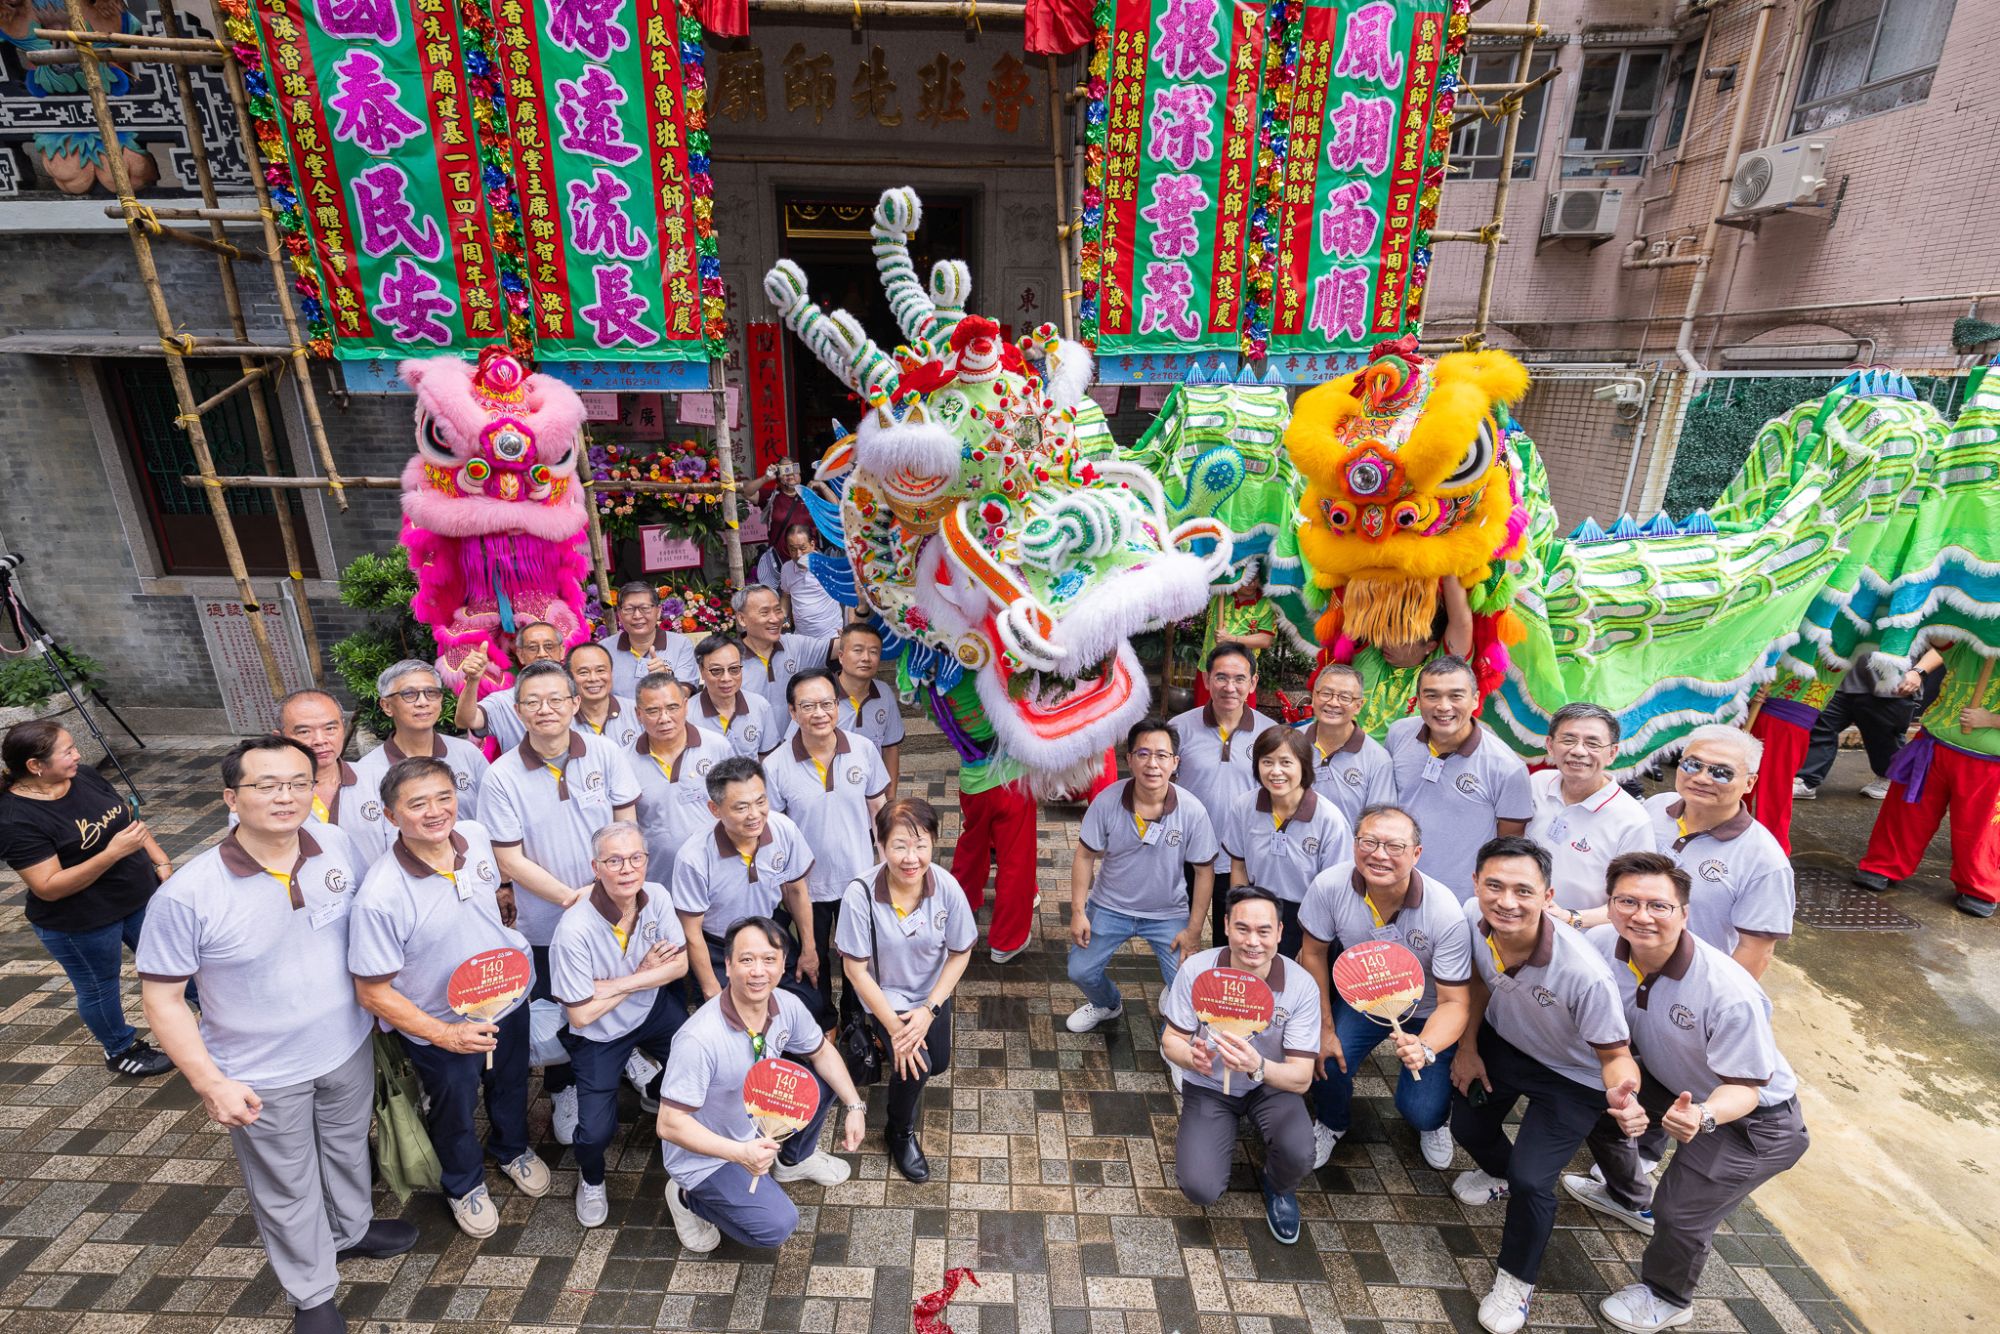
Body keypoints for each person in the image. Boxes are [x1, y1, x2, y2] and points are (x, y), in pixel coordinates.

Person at [137, 738, 411, 1334]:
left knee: (345, 1149)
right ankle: (311, 1293)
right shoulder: (188, 895)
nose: (285, 796)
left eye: (297, 781)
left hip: (347, 1046)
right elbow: (161, 999)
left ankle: (353, 1229)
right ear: (230, 798)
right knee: (285, 1184)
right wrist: (211, 1083)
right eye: (265, 784)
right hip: (260, 1073)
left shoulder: (335, 845)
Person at [1567, 852, 1809, 1334]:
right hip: (1670, 1081)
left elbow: (1745, 1088)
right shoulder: (1600, 944)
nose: (1641, 915)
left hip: (1752, 1121)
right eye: (1627, 901)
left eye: (1658, 905)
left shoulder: (1728, 992)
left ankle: (1669, 1297)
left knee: (1678, 1212)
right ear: (1609, 905)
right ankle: (1628, 1195)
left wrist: (1704, 1115)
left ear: (1684, 913)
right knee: (1594, 1101)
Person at [1448, 837, 1646, 1334]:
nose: (1506, 901)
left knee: (1535, 1180)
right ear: (1475, 884)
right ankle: (1500, 1175)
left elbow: (1615, 1055)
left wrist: (1624, 1096)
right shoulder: (1474, 914)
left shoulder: (1584, 974)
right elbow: (1474, 978)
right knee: (1467, 1127)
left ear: (1547, 896)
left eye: (1522, 890)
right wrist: (1468, 1046)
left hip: (1573, 1076)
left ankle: (1516, 1284)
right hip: (1506, 1043)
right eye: (1494, 885)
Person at [350, 756, 549, 1239]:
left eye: (444, 797)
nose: (436, 812)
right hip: (439, 1024)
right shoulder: (380, 896)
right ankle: (463, 1184)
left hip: (505, 998)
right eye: (417, 804)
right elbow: (372, 991)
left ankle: (512, 1149)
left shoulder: (475, 836)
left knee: (510, 1082)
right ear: (391, 816)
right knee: (454, 1106)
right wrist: (445, 1034)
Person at [477, 659, 641, 1143]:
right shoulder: (501, 777)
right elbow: (508, 857)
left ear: (574, 704)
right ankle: (563, 1086)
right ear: (518, 709)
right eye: (532, 701)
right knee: (562, 1005)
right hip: (547, 920)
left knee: (615, 983)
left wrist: (615, 885)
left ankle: (626, 1055)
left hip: (614, 903)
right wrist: (575, 898)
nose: (545, 709)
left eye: (555, 699)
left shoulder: (606, 751)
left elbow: (624, 823)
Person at [657, 916, 867, 1253]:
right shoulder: (698, 1039)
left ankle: (793, 1160)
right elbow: (669, 1124)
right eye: (746, 959)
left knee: (819, 1085)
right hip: (710, 1154)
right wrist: (740, 1153)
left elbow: (822, 1051)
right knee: (777, 1227)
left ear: (783, 964)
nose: (758, 971)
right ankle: (685, 1196)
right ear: (727, 965)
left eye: (769, 959)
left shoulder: (786, 1004)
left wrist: (855, 1105)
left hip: (756, 1119)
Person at [1297, 805, 1472, 1172]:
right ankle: (1332, 1122)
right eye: (1369, 842)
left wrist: (1425, 1046)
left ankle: (1435, 1122)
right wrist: (1324, 1026)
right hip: (1363, 999)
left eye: (1394, 846)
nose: (1379, 854)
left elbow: (1455, 1003)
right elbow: (1313, 954)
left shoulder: (1443, 912)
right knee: (1327, 1056)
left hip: (1425, 1012)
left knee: (1422, 1110)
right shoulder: (1330, 885)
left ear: (1416, 853)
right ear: (1355, 843)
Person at [1, 721, 178, 1077]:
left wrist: (159, 859)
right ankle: (121, 1049)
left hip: (138, 897)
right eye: (66, 751)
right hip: (81, 921)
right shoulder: (15, 819)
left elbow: (128, 820)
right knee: (100, 986)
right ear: (35, 766)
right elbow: (48, 886)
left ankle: (215, 1019)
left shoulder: (83, 776)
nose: (77, 755)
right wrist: (113, 853)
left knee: (176, 962)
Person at [1160, 887, 1321, 1244]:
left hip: (1270, 1084)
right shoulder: (1198, 970)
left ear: (1280, 932)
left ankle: (1278, 1187)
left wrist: (1258, 1066)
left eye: (1264, 931)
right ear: (1226, 926)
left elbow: (1300, 1078)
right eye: (1242, 928)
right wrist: (1192, 1057)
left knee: (1299, 1152)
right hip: (1210, 1085)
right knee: (1200, 1188)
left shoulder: (1301, 986)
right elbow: (1171, 1040)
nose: (1253, 942)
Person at [549, 821, 690, 1227]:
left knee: (700, 1061)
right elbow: (581, 1014)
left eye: (635, 858)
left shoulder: (657, 897)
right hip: (600, 1033)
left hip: (651, 1012)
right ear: (596, 867)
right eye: (614, 860)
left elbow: (678, 966)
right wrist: (645, 973)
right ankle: (591, 1179)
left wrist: (616, 984)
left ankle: (678, 1117)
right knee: (594, 1132)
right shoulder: (574, 930)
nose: (627, 868)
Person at [836, 799, 976, 1182]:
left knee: (939, 1062)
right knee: (919, 1065)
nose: (910, 858)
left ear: (934, 844)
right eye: (899, 845)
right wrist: (898, 1031)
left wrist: (929, 1009)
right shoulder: (860, 895)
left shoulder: (945, 887)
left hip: (928, 997)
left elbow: (961, 951)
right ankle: (899, 1131)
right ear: (880, 845)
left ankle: (900, 1061)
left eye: (921, 845)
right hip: (886, 997)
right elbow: (855, 970)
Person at [1065, 717, 1218, 1034]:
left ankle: (1175, 1044)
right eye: (1143, 754)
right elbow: (1084, 855)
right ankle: (1107, 1004)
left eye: (1162, 755)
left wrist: (1194, 929)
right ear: (1129, 760)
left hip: (1167, 912)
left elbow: (1204, 872)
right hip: (1109, 906)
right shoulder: (1107, 801)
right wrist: (1079, 911)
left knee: (1187, 985)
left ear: (1175, 762)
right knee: (1079, 970)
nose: (1153, 764)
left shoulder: (1192, 810)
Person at [764, 668, 889, 1017]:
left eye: (826, 704)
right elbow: (774, 836)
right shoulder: (775, 766)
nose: (819, 713)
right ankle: (823, 1025)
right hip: (807, 889)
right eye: (807, 706)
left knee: (859, 959)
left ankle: (856, 1022)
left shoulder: (863, 750)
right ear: (792, 711)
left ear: (838, 706)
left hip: (859, 880)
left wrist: (885, 872)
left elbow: (880, 813)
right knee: (812, 961)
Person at [1855, 639, 2000, 917]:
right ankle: (1882, 865)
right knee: (1905, 813)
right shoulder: (1968, 635)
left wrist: (1991, 720)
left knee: (1978, 829)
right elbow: (1939, 637)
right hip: (1933, 743)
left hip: (1988, 761)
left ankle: (1977, 886)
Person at [668, 756, 819, 1009]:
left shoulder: (784, 829)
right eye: (741, 807)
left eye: (761, 802)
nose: (754, 815)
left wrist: (809, 949)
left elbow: (796, 891)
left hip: (770, 932)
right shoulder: (693, 857)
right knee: (734, 1018)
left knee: (810, 1004)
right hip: (720, 945)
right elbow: (691, 933)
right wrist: (710, 987)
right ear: (715, 809)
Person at [1643, 724, 1793, 978]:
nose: (1701, 778)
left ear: (1750, 783)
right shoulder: (1654, 808)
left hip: (1692, 983)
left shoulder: (1764, 860)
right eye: (1692, 765)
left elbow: (1756, 951)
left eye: (1721, 773)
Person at [1384, 655, 1531, 900]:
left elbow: (1509, 844)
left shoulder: (1506, 768)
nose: (1443, 706)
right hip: (1394, 885)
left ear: (1475, 700)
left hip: (1459, 898)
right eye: (1432, 695)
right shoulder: (1399, 733)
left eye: (1455, 696)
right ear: (1418, 700)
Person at [1171, 643, 1278, 944]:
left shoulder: (1270, 735)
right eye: (1221, 677)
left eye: (1239, 678)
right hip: (1186, 855)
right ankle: (1178, 987)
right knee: (1178, 936)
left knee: (1230, 940)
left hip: (1241, 860)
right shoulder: (1179, 729)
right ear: (1206, 680)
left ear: (1253, 683)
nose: (1230, 687)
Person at [347, 660, 490, 871]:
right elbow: (371, 845)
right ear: (386, 706)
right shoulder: (366, 772)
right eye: (409, 694)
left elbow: (492, 816)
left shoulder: (468, 753)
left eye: (431, 693)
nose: (423, 702)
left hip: (476, 872)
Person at [1223, 727, 1352, 958]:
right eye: (1267, 762)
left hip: (1308, 917)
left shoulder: (1329, 819)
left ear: (1303, 766)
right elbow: (1239, 866)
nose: (1276, 771)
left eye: (1285, 762)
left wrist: (1314, 943)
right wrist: (1239, 915)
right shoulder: (1244, 806)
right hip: (1258, 910)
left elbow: (1335, 890)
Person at [1525, 702, 1652, 929]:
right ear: (1550, 745)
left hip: (1581, 938)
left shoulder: (1632, 820)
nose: (1579, 751)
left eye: (1592, 743)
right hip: (1519, 921)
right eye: (1568, 740)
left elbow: (1634, 901)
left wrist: (1570, 917)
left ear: (1612, 753)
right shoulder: (1536, 784)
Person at [1793, 647, 1928, 802]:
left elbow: (1939, 647)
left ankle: (1887, 778)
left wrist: (1918, 671)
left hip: (1891, 683)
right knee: (1820, 726)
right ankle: (1807, 779)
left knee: (1884, 736)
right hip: (1839, 677)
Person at [628, 673, 727, 882]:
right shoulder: (624, 760)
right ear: (638, 714)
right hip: (660, 876)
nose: (664, 718)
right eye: (653, 711)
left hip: (717, 869)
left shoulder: (717, 746)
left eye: (672, 708)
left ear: (685, 705)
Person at [950, 760, 1041, 965]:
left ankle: (952, 916)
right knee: (1017, 860)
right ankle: (1007, 941)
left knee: (972, 846)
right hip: (1013, 780)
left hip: (973, 783)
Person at [1294, 662, 1395, 830]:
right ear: (1313, 697)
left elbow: (1378, 823)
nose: (1333, 703)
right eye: (1326, 694)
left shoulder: (1377, 759)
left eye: (1345, 697)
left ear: (1358, 706)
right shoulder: (1290, 743)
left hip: (1346, 854)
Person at [453, 621, 569, 752]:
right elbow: (466, 721)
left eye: (549, 646)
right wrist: (473, 680)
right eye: (532, 648)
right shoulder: (503, 702)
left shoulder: (581, 694)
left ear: (562, 650)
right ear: (520, 655)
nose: (542, 654)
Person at [272, 688, 368, 846]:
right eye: (304, 732)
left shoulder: (379, 780)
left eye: (330, 729)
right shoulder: (259, 798)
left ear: (342, 728)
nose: (320, 740)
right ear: (280, 738)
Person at [733, 583, 832, 714]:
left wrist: (862, 610)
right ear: (742, 619)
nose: (775, 619)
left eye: (778, 610)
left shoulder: (795, 645)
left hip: (796, 734)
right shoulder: (730, 660)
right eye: (765, 613)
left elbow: (844, 649)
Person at [829, 621, 904, 792]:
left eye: (873, 652)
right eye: (858, 650)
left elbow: (890, 747)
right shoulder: (820, 694)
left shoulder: (884, 692)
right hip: (833, 792)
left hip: (872, 791)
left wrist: (890, 796)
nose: (866, 658)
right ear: (841, 656)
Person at [600, 580, 698, 699]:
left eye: (645, 608)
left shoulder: (681, 645)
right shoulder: (603, 649)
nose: (637, 616)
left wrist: (666, 679)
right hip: (620, 717)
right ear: (619, 615)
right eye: (629, 609)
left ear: (658, 611)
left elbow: (684, 694)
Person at [691, 633, 781, 759]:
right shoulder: (687, 714)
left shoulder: (760, 706)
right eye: (716, 670)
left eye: (734, 669)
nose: (726, 678)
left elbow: (768, 758)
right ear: (701, 670)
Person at [1193, 579, 1277, 708]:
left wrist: (1231, 638)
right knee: (1204, 718)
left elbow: (1266, 639)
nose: (1252, 584)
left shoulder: (1266, 603)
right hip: (1210, 669)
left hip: (1242, 675)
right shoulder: (1220, 591)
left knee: (1240, 721)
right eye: (1247, 579)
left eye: (1255, 579)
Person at [567, 641, 644, 749]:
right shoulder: (563, 718)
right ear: (570, 677)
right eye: (583, 672)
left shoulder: (638, 711)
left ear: (611, 673)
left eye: (600, 670)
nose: (593, 678)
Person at [778, 523, 846, 639]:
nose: (798, 554)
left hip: (832, 638)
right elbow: (786, 596)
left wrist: (849, 630)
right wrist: (784, 619)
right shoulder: (786, 569)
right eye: (792, 549)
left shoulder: (829, 566)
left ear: (812, 545)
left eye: (802, 548)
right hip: (802, 640)